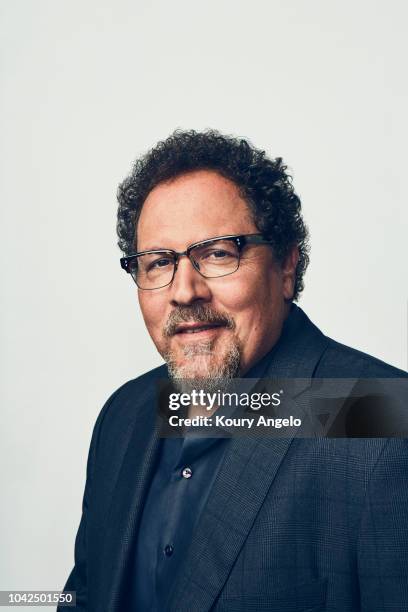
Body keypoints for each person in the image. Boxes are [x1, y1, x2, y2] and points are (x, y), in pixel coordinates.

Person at [60, 130, 408, 611]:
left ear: (287, 266)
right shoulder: (124, 415)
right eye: (158, 263)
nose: (184, 291)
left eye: (218, 253)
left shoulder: (385, 421)